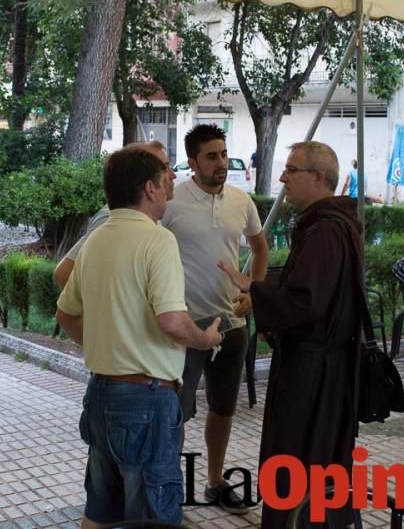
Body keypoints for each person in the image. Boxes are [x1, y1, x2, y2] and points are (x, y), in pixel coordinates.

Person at [56, 147, 222, 527]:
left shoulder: (96, 240)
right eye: (165, 181)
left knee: (99, 512)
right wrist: (206, 338)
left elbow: (65, 313)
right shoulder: (158, 240)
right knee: (154, 517)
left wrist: (109, 346)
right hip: (146, 402)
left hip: (99, 396)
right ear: (149, 189)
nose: (169, 188)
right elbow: (171, 321)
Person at [219, 141, 362, 529]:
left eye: (291, 170)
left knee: (298, 462)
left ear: (318, 178)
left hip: (312, 377)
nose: (282, 179)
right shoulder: (334, 224)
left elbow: (306, 303)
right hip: (323, 368)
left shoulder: (325, 231)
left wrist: (255, 289)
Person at [161, 124, 269, 513]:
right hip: (186, 328)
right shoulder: (170, 203)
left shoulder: (241, 201)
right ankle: (168, 490)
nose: (221, 162)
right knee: (176, 412)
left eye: (224, 154)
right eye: (212, 156)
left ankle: (215, 482)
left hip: (232, 325)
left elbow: (260, 247)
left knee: (223, 408)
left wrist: (252, 293)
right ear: (193, 162)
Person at [52, 141, 173, 289]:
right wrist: (98, 311)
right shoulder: (111, 217)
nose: (172, 175)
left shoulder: (148, 216)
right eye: (163, 168)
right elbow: (64, 274)